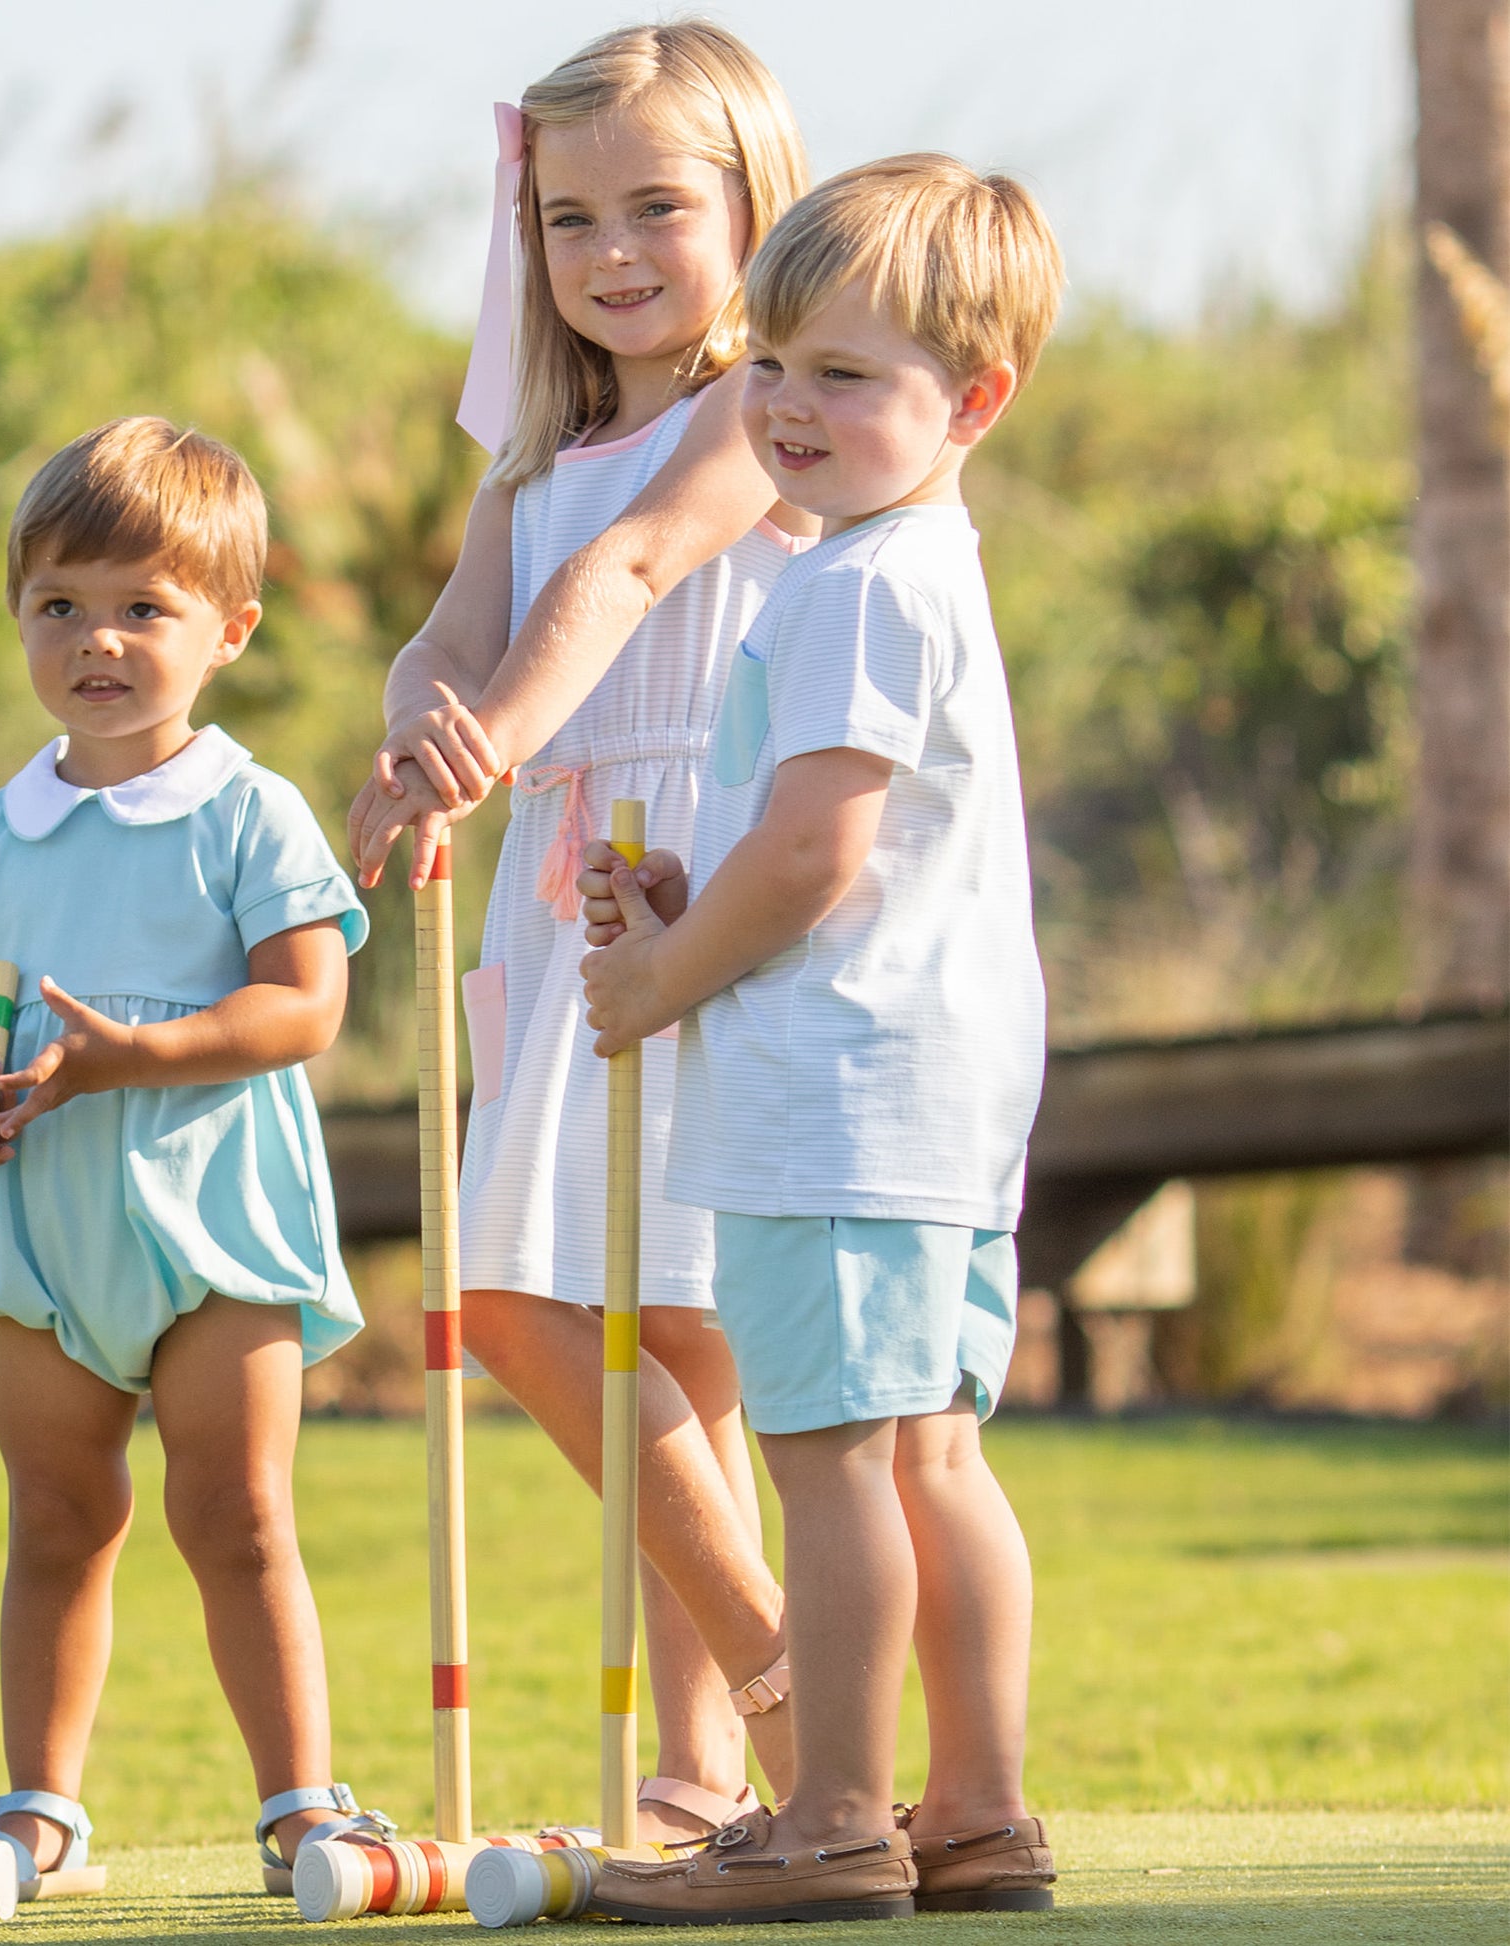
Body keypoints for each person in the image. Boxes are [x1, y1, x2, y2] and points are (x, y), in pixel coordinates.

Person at [577, 155, 1064, 1921]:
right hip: (931, 1099)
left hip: (840, 1100)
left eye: (844, 378)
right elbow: (820, 850)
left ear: (972, 400)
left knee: (832, 1453)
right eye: (770, 363)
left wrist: (662, 976)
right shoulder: (918, 563)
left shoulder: (854, 582)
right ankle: (977, 1815)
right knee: (930, 1446)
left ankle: (839, 1818)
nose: (784, 407)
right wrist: (695, 898)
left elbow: (813, 856)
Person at [347, 22, 813, 1838]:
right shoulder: (535, 461)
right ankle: (703, 1780)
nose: (609, 251)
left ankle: (790, 1691)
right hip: (562, 895)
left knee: (525, 1310)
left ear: (748, 206)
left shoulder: (755, 407)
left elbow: (629, 582)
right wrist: (421, 731)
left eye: (654, 207)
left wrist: (498, 740)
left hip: (674, 870)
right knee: (665, 1340)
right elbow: (451, 639)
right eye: (566, 217)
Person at [0, 417, 392, 1898]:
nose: (97, 638)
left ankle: (305, 1805)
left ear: (227, 629)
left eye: (143, 607)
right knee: (56, 1514)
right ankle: (40, 1808)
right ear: (19, 615)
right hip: (45, 1231)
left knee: (232, 1510)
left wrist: (131, 1057)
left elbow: (305, 1004)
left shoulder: (248, 808)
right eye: (60, 604)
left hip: (214, 1222)